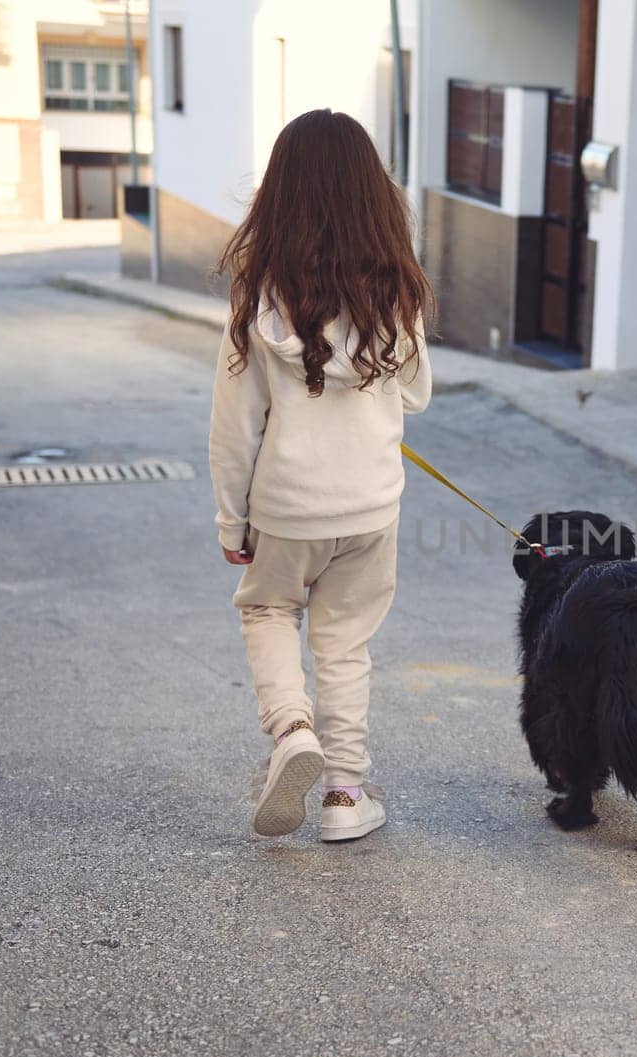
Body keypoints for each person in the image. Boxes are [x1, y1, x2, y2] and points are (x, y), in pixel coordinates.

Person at [209, 109, 433, 843]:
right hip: (370, 506)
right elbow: (415, 392)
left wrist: (230, 519)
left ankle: (291, 732)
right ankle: (343, 793)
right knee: (344, 644)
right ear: (374, 196)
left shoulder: (260, 296)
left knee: (268, 610)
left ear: (282, 193)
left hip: (287, 506)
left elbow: (234, 425)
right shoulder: (394, 289)